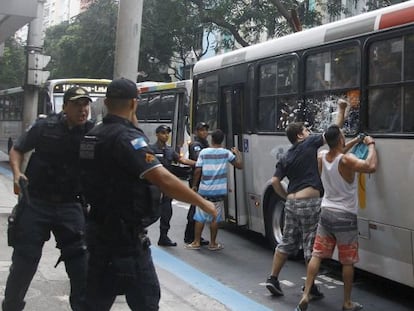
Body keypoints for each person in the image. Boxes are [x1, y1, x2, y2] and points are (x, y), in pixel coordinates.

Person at [79, 78, 217, 311]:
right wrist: (202, 202)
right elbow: (162, 178)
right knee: (146, 302)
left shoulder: (92, 135)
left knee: (95, 303)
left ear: (105, 102)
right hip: (125, 239)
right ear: (134, 103)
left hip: (96, 232)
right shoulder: (127, 138)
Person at [3, 86, 93, 311]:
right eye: (77, 104)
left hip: (71, 204)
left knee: (81, 266)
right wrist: (16, 173)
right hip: (37, 204)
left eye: (86, 104)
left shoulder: (93, 133)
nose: (83, 109)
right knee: (24, 263)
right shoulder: (44, 127)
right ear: (65, 107)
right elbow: (17, 149)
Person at [264, 100, 347, 298]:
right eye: (307, 130)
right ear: (300, 135)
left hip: (292, 203)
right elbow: (335, 131)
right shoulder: (309, 143)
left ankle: (273, 278)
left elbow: (275, 181)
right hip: (309, 203)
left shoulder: (285, 156)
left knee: (287, 242)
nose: (309, 132)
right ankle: (310, 288)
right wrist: (342, 109)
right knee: (311, 244)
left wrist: (286, 197)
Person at [295, 126, 377, 311]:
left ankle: (306, 293)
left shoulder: (321, 156)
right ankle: (347, 302)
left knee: (317, 254)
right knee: (347, 261)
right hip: (345, 216)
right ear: (340, 139)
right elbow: (370, 166)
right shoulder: (347, 160)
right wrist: (371, 145)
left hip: (326, 213)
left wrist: (355, 141)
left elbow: (338, 151)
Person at [185, 129, 243, 250]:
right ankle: (213, 243)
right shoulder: (226, 153)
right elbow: (239, 165)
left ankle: (196, 242)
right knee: (214, 217)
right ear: (222, 140)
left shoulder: (204, 152)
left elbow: (198, 170)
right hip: (219, 190)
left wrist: (195, 185)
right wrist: (237, 153)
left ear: (212, 139)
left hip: (205, 189)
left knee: (200, 217)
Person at [150, 124, 196, 247]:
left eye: (167, 133)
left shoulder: (170, 150)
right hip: (153, 187)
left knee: (166, 212)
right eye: (163, 133)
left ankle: (163, 237)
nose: (165, 135)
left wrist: (198, 163)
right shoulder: (151, 149)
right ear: (157, 134)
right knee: (151, 213)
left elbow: (182, 161)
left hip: (166, 187)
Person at [183, 121, 211, 245]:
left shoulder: (205, 143)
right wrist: (194, 185)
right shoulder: (196, 145)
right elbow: (199, 161)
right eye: (201, 130)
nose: (204, 132)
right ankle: (189, 236)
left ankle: (195, 236)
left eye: (205, 130)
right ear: (196, 132)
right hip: (197, 179)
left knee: (200, 208)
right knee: (195, 208)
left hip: (203, 179)